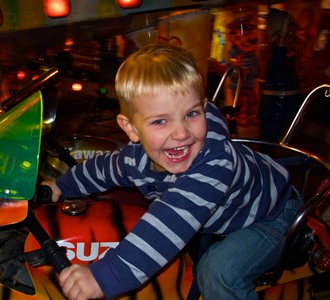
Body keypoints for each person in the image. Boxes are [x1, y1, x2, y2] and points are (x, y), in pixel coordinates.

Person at [42, 43, 301, 300]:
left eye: (191, 114)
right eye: (160, 121)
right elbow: (104, 169)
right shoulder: (136, 159)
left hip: (271, 214)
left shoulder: (213, 164)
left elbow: (169, 222)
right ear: (130, 128)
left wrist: (105, 276)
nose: (181, 133)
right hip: (230, 213)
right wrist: (61, 186)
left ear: (204, 106)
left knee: (217, 272)